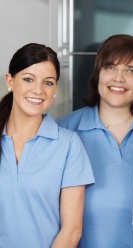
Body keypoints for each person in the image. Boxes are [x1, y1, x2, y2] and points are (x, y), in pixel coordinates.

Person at [56, 34, 133, 248]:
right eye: (110, 67)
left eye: (131, 70)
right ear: (97, 73)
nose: (119, 78)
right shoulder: (63, 130)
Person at [0, 43, 94, 248]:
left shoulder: (69, 145)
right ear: (10, 81)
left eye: (48, 83)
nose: (38, 90)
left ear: (55, 89)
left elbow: (71, 231)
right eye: (28, 79)